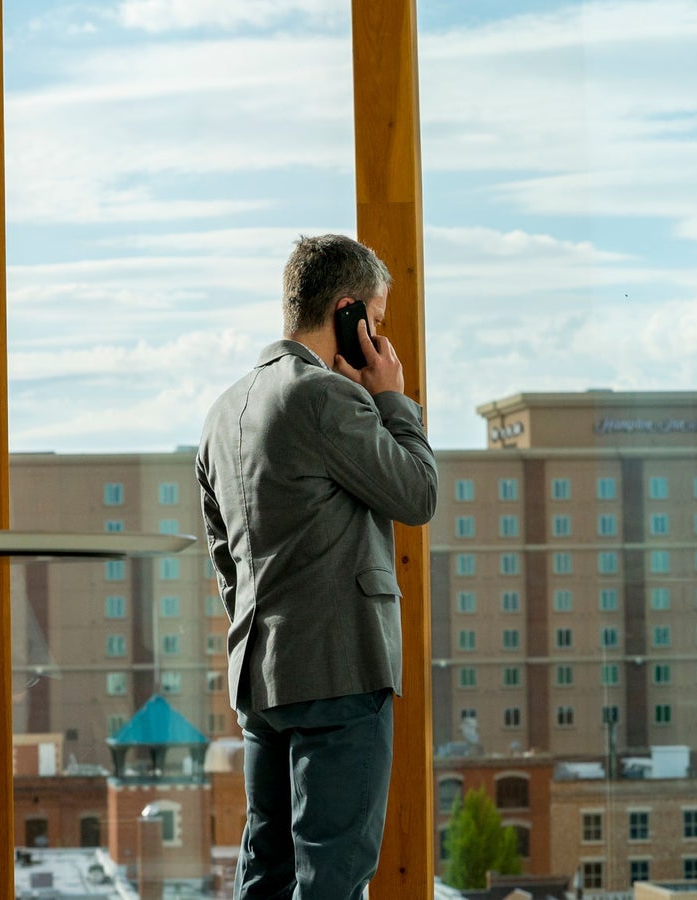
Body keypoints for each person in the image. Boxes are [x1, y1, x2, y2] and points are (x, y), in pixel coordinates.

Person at [196, 234, 437, 899]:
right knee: (332, 877)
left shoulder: (224, 412)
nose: (381, 342)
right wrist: (392, 399)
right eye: (377, 324)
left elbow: (226, 561)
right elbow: (417, 493)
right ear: (348, 311)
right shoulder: (327, 399)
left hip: (261, 678)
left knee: (266, 872)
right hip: (340, 673)